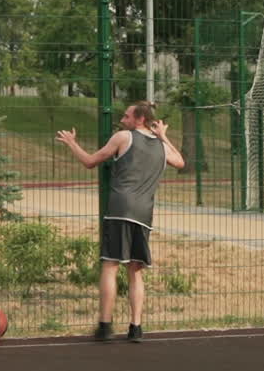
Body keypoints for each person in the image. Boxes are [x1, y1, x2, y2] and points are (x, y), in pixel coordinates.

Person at [55, 101, 185, 342]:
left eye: (127, 116)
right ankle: (136, 327)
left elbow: (90, 161)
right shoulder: (162, 147)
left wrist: (72, 143)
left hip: (120, 209)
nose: (122, 119)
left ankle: (105, 324)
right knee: (135, 271)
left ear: (139, 120)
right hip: (144, 214)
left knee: (110, 265)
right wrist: (164, 137)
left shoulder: (123, 137)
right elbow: (180, 162)